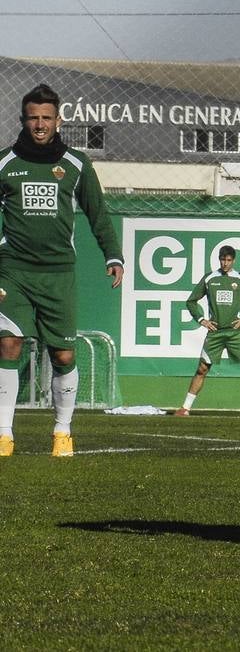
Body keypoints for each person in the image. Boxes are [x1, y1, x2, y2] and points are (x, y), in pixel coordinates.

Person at [0, 84, 123, 457]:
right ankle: (3, 434)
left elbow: (98, 213)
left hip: (58, 274)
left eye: (46, 118)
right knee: (8, 344)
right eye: (33, 117)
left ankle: (62, 430)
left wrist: (113, 255)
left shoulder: (76, 164)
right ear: (23, 120)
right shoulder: (5, 162)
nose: (39, 124)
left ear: (59, 120)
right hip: (13, 270)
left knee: (63, 356)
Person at [175, 244, 240, 417]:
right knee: (202, 369)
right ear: (218, 259)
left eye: (228, 260)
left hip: (235, 332)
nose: (225, 263)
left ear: (233, 260)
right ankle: (185, 408)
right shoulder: (210, 278)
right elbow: (191, 301)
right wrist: (202, 319)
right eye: (222, 259)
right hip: (215, 333)